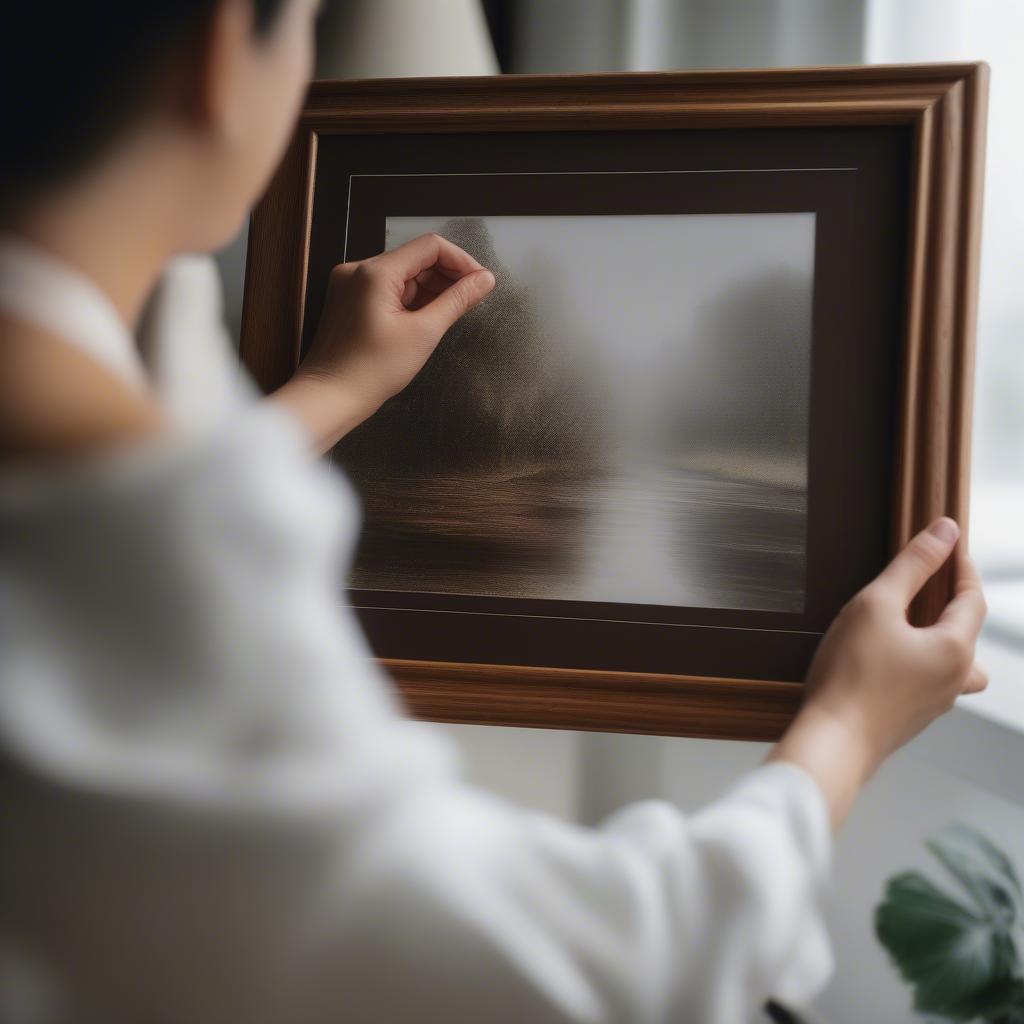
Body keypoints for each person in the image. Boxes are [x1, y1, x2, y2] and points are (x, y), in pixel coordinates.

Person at [0, 2, 987, 1022]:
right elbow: (617, 966)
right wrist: (848, 720)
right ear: (221, 48)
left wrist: (334, 394)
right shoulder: (148, 541)